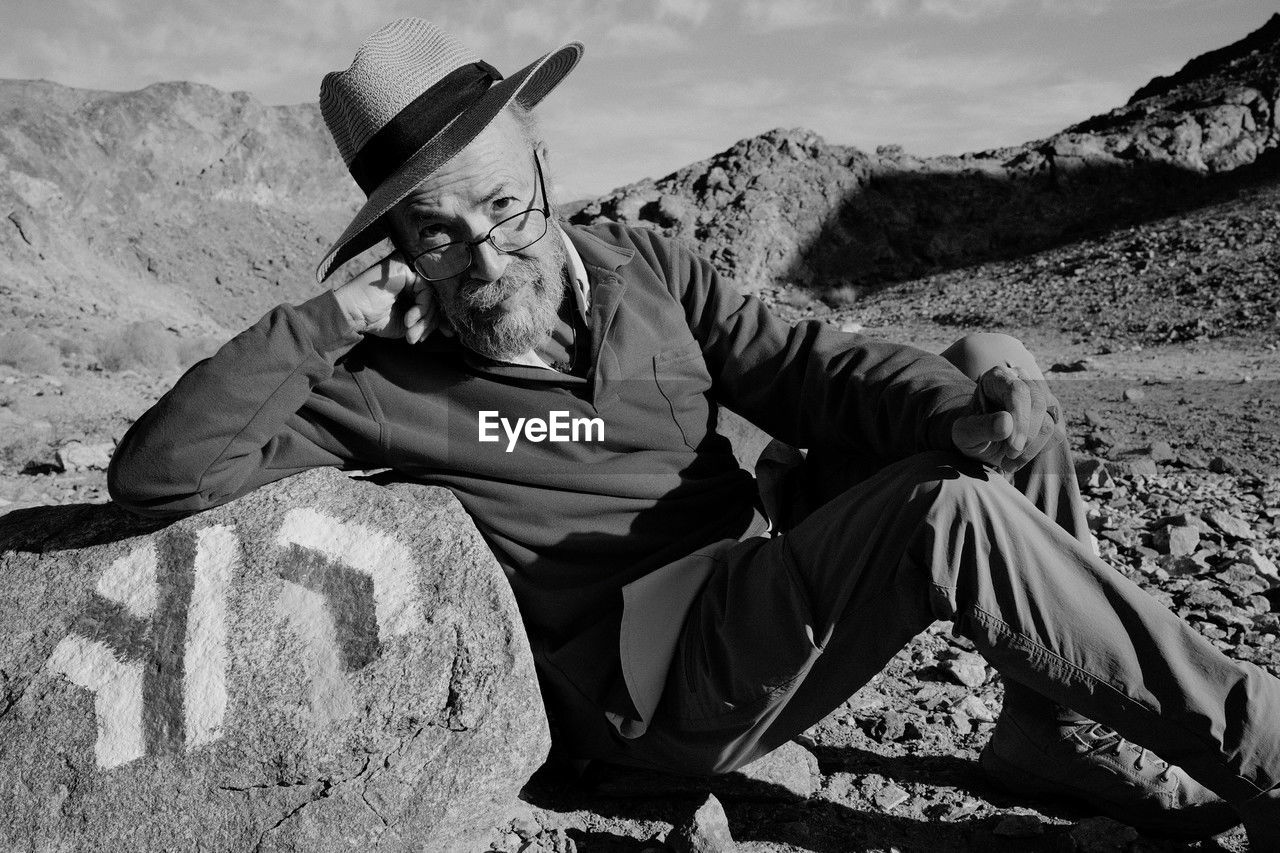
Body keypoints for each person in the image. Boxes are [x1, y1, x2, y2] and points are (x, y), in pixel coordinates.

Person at [106, 18, 1280, 846]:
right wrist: (331, 317)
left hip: (759, 572)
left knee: (987, 372)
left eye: (504, 207)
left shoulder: (643, 268)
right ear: (398, 250)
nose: (486, 255)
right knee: (943, 516)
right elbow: (161, 474)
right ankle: (1261, 746)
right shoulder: (377, 373)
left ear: (545, 171)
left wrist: (961, 418)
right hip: (662, 676)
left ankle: (1047, 729)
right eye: (437, 236)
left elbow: (812, 370)